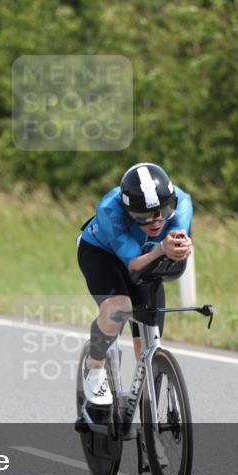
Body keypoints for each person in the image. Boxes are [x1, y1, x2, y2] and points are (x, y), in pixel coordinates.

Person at [77, 163, 193, 405]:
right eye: (144, 216)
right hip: (102, 254)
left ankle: (146, 408)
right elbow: (134, 267)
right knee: (118, 308)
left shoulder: (182, 204)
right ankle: (94, 365)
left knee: (148, 339)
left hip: (146, 254)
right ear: (128, 210)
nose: (156, 221)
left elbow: (172, 263)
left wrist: (179, 249)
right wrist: (163, 248)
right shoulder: (110, 210)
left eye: (163, 211)